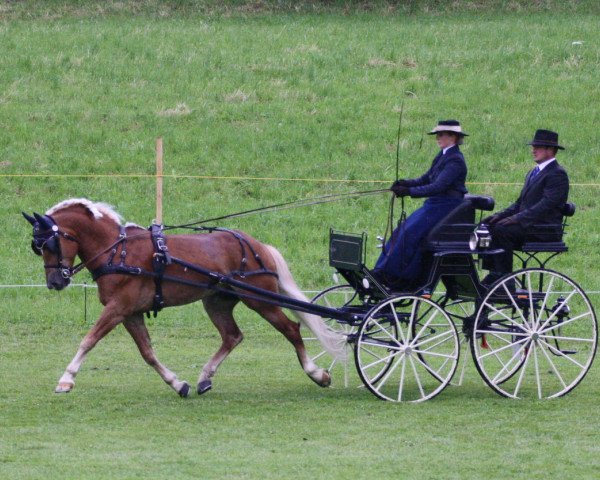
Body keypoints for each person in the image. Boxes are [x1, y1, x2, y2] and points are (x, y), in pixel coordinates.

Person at [372, 119, 468, 289]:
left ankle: (396, 276)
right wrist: (406, 183)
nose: (437, 138)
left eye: (441, 135)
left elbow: (438, 186)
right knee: (401, 230)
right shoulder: (443, 155)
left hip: (447, 206)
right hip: (435, 204)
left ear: (453, 137)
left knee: (410, 233)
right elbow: (426, 179)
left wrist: (409, 192)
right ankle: (382, 271)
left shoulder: (456, 161)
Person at [481, 129, 569, 286]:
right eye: (533, 146)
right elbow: (520, 203)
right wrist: (499, 216)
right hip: (529, 225)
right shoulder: (533, 173)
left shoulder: (557, 174)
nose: (533, 150)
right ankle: (494, 272)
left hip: (544, 228)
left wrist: (516, 219)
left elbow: (546, 205)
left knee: (502, 231)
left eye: (538, 147)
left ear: (550, 150)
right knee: (490, 226)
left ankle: (504, 278)